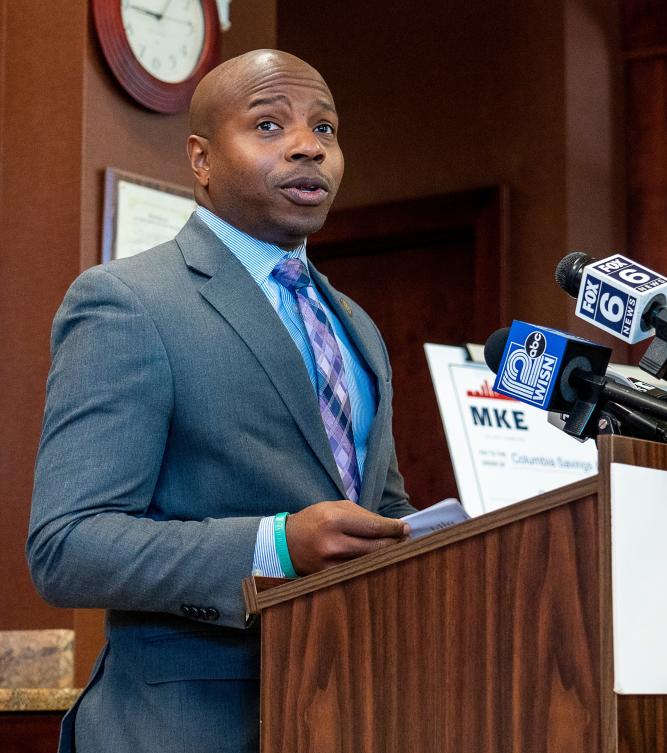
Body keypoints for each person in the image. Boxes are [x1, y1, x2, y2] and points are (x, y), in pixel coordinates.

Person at [27, 49, 415, 753]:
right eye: (269, 125)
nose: (308, 145)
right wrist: (275, 547)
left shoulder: (355, 325)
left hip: (342, 711)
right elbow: (66, 546)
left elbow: (378, 509)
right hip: (184, 728)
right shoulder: (128, 302)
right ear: (201, 159)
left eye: (325, 128)